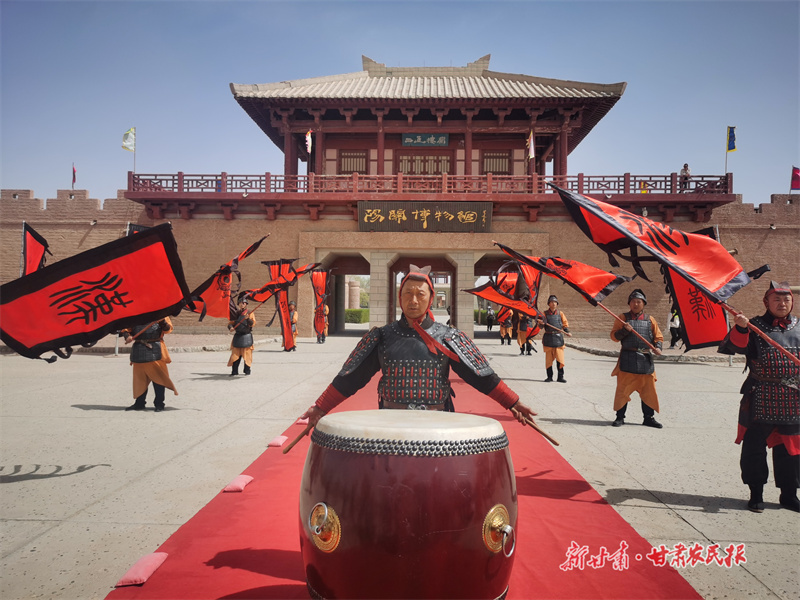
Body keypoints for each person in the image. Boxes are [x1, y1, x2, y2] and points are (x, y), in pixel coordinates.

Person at [299, 264, 537, 428]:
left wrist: (512, 402)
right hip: (390, 423)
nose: (413, 300)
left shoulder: (449, 337)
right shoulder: (382, 336)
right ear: (400, 297)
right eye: (407, 294)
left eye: (420, 294)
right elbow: (351, 378)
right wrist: (320, 407)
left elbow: (481, 376)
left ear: (430, 298)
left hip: (437, 422)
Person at [717, 281, 799, 513]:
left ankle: (789, 495)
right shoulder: (754, 326)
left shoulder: (799, 326)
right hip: (761, 395)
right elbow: (734, 347)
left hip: (794, 398)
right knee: (754, 448)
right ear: (766, 302)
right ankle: (756, 494)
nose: (782, 304)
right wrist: (742, 329)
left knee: (792, 450)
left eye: (786, 299)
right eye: (777, 299)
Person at [609, 289, 664, 428]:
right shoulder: (622, 318)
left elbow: (658, 337)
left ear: (644, 303)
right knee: (623, 390)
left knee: (648, 390)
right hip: (628, 357)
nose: (636, 304)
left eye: (639, 302)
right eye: (633, 301)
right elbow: (614, 337)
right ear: (629, 303)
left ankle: (648, 418)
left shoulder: (650, 319)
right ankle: (620, 417)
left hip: (645, 359)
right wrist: (624, 331)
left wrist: (658, 347)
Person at [121, 317, 177, 412]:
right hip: (139, 348)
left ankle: (159, 404)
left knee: (159, 379)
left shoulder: (162, 315)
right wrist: (127, 337)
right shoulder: (135, 315)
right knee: (139, 379)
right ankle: (139, 403)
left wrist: (162, 321)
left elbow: (168, 329)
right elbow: (125, 329)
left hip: (156, 348)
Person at [538, 295, 572, 383]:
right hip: (548, 338)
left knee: (560, 359)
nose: (553, 304)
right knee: (549, 360)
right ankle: (549, 377)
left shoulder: (560, 313)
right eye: (552, 302)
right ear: (549, 304)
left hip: (558, 338)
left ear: (557, 304)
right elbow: (540, 326)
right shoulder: (544, 314)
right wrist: (541, 323)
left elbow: (565, 324)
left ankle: (560, 377)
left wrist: (567, 331)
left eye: (555, 302)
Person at [228, 297, 256, 376]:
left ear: (246, 304)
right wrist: (231, 328)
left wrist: (248, 319)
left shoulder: (250, 313)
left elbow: (252, 324)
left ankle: (247, 371)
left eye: (243, 303)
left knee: (247, 355)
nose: (242, 304)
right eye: (240, 303)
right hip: (238, 336)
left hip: (246, 336)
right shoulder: (236, 313)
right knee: (235, 355)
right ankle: (234, 371)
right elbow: (230, 323)